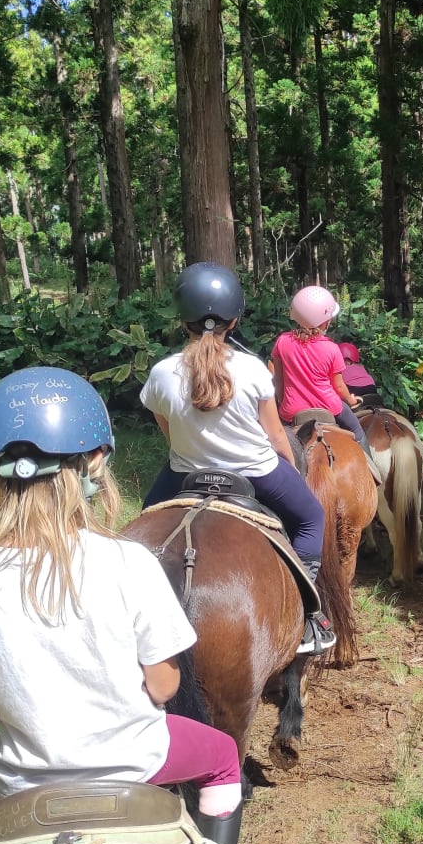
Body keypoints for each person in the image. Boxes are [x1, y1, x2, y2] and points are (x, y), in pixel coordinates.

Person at [0, 366, 245, 844]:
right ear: (94, 462)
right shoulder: (129, 562)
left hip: (17, 780)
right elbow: (164, 689)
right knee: (223, 756)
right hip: (140, 760)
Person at [140, 262, 336, 657]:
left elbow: (169, 434)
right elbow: (276, 434)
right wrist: (291, 465)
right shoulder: (250, 369)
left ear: (184, 321)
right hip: (257, 474)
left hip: (184, 474)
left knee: (142, 527)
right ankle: (307, 611)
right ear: (234, 320)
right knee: (312, 517)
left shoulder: (161, 373)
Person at [270, 286, 380, 477]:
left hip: (292, 411)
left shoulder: (282, 342)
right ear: (325, 321)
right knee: (358, 432)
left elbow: (278, 381)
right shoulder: (331, 348)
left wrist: (283, 401)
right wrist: (352, 400)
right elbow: (338, 386)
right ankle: (373, 473)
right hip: (330, 408)